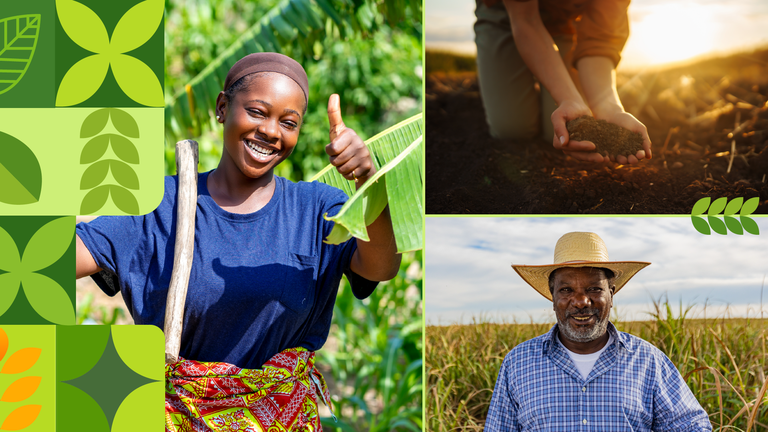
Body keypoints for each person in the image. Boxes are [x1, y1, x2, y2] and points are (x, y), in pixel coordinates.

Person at [74, 53, 401, 431]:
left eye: (289, 122)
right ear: (223, 107)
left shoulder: (316, 210)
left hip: (284, 421)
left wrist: (368, 181)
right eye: (258, 112)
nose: (272, 131)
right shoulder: (160, 205)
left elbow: (381, 266)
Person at [484, 232, 712, 432]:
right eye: (566, 290)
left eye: (594, 288)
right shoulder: (518, 362)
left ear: (611, 295)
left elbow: (692, 426)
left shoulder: (648, 361)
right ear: (553, 299)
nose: (581, 301)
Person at [474, 0, 653, 164]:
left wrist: (609, 108)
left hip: (562, 23)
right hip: (506, 15)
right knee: (512, 129)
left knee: (563, 130)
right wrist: (566, 97)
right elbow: (525, 19)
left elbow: (598, 41)